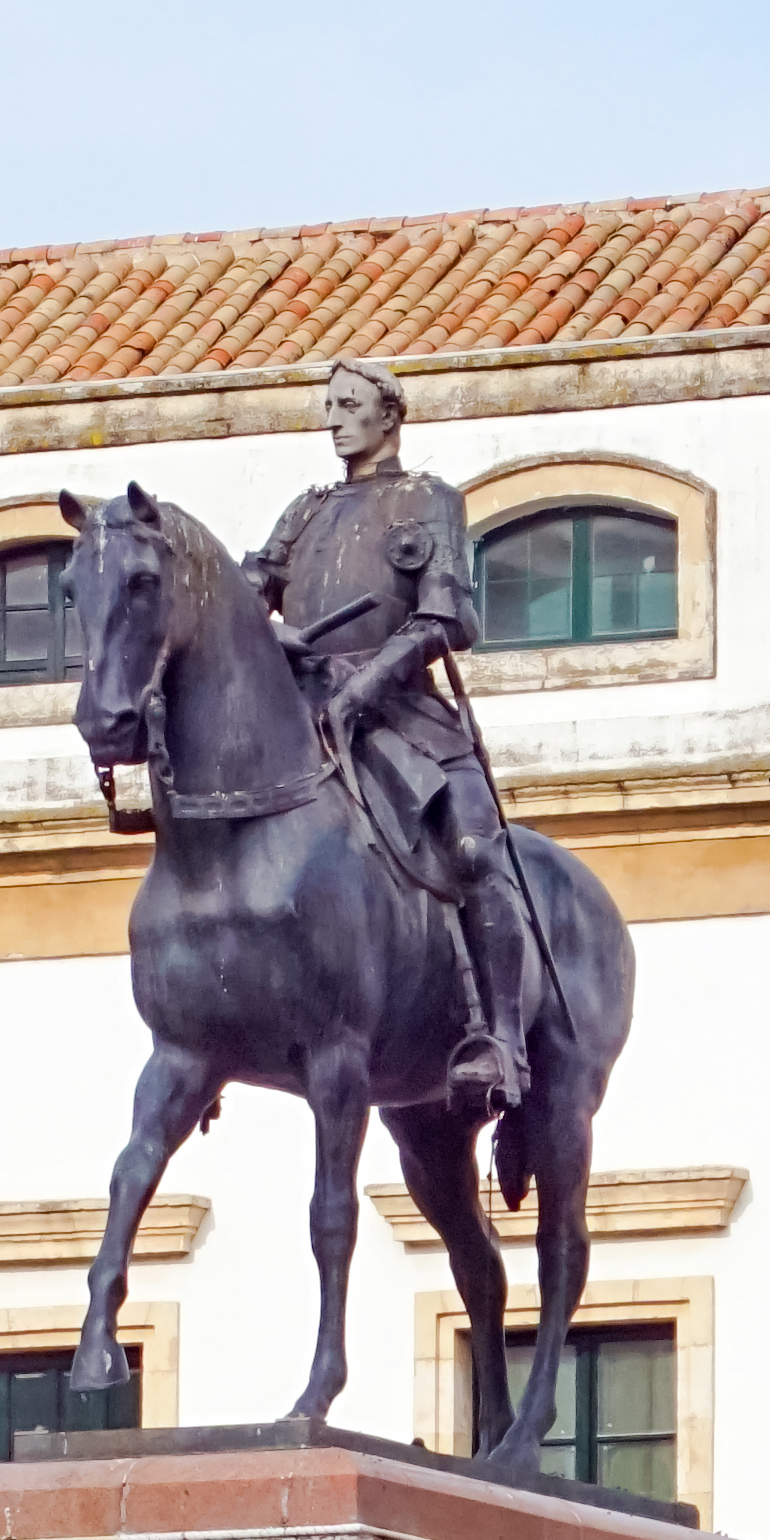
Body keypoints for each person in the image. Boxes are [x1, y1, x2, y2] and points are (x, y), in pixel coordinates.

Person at [242, 356, 536, 1119]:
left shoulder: (427, 499)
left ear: (389, 416)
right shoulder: (303, 512)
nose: (334, 418)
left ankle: (501, 1037)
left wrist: (366, 684)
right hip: (304, 714)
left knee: (473, 849)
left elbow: (447, 617)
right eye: (329, 405)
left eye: (349, 405)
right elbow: (252, 600)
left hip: (403, 715)